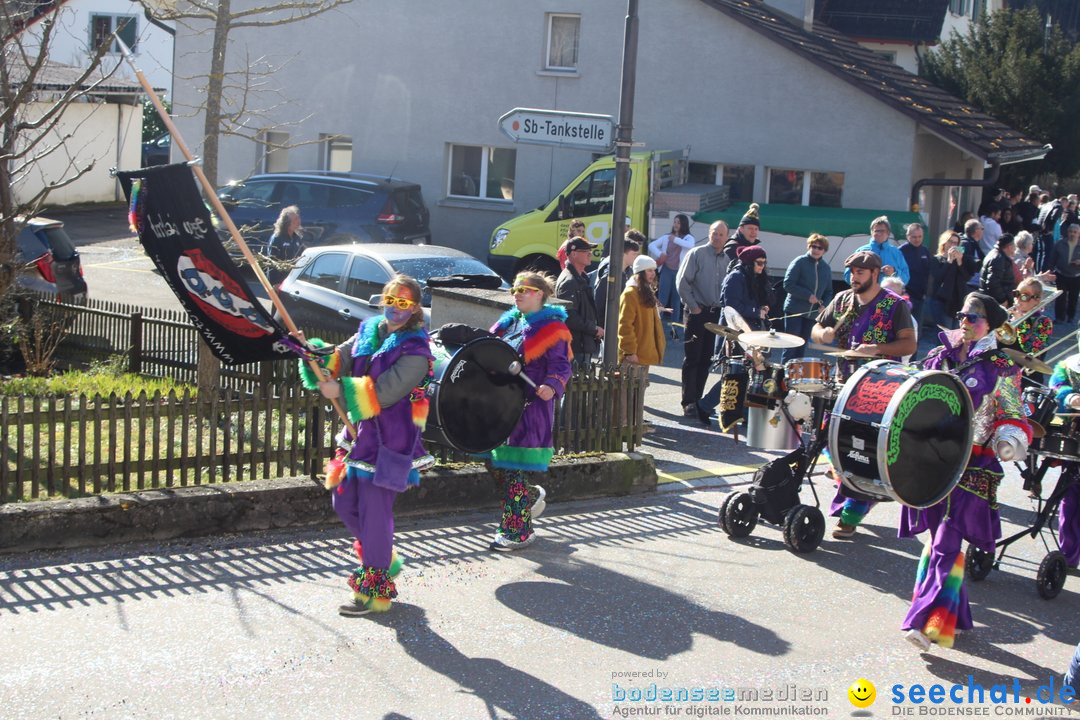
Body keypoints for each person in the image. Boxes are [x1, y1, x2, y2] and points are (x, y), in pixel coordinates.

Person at [299, 274, 435, 617]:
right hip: (358, 437)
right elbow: (340, 359)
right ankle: (380, 555)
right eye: (390, 299)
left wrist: (339, 391)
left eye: (403, 303)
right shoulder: (368, 330)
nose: (395, 308)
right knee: (343, 501)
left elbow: (385, 393)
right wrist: (314, 354)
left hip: (390, 442)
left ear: (415, 308)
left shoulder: (417, 350)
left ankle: (374, 591)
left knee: (375, 515)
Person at [900, 292, 1030, 651]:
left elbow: (1014, 411)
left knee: (946, 542)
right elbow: (916, 392)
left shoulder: (1001, 366)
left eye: (973, 317)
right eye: (961, 315)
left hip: (975, 464)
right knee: (936, 537)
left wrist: (1010, 437)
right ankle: (953, 617)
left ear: (990, 324)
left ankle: (927, 621)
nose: (965, 321)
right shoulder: (940, 354)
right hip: (933, 458)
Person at [811, 251, 917, 539]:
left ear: (874, 274)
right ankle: (850, 490)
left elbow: (909, 344)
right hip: (843, 382)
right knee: (830, 441)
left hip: (878, 389)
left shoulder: (894, 306)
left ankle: (853, 511)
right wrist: (824, 335)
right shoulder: (843, 299)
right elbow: (817, 328)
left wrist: (877, 349)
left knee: (863, 449)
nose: (854, 277)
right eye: (852, 272)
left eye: (860, 272)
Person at [484, 272, 573, 551]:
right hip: (501, 404)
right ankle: (530, 495)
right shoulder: (509, 321)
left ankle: (518, 531)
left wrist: (552, 385)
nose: (517, 294)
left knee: (512, 468)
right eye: (514, 289)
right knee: (495, 462)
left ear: (539, 294)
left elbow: (562, 367)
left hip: (530, 408)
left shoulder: (554, 329)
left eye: (523, 289)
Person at [677, 220, 728, 417]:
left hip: (716, 315)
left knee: (706, 359)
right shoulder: (696, 254)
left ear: (726, 237)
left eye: (721, 234)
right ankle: (688, 401)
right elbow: (682, 282)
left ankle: (699, 400)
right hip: (697, 312)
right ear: (709, 234)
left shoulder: (727, 259)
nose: (717, 237)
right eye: (714, 233)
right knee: (692, 358)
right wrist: (694, 307)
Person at [781, 233, 833, 362]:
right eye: (813, 246)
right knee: (791, 346)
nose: (816, 250)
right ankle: (781, 378)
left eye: (819, 248)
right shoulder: (799, 262)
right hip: (794, 310)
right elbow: (788, 284)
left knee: (801, 348)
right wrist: (807, 296)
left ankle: (795, 380)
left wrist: (824, 306)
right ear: (809, 247)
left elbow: (828, 291)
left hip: (811, 315)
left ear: (824, 251)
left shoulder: (826, 268)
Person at [556, 236, 603, 368]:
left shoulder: (580, 277)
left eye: (590, 251)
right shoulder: (569, 282)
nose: (590, 254)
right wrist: (593, 328)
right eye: (586, 251)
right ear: (574, 254)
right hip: (576, 347)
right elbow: (569, 316)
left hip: (582, 344)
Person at [648, 214, 696, 338]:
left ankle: (674, 329)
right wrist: (660, 253)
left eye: (678, 223)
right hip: (666, 270)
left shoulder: (688, 238)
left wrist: (674, 239)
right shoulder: (666, 237)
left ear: (683, 224)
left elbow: (691, 246)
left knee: (676, 300)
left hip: (679, 272)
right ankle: (656, 327)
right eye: (675, 222)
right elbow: (651, 245)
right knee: (662, 299)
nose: (676, 225)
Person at [618, 255, 666, 370]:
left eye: (654, 270)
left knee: (639, 387)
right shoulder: (630, 293)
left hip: (643, 354)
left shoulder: (645, 291)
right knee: (628, 387)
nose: (653, 273)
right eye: (649, 270)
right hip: (633, 356)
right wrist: (630, 352)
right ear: (640, 272)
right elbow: (625, 325)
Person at [594, 231, 642, 329]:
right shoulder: (609, 275)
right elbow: (599, 305)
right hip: (610, 329)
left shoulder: (629, 271)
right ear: (623, 254)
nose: (637, 257)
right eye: (634, 254)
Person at [844, 216, 910, 286]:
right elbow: (847, 276)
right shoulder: (861, 251)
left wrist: (894, 272)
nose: (878, 233)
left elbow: (906, 279)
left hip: (888, 295)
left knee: (891, 297)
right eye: (876, 231)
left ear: (888, 233)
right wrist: (863, 276)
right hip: (867, 294)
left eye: (882, 231)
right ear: (871, 232)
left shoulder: (896, 252)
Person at [927, 230, 972, 330]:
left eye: (955, 243)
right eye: (950, 242)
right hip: (942, 301)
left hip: (957, 302)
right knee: (945, 335)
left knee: (956, 334)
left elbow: (966, 278)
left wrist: (959, 261)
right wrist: (949, 261)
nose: (952, 245)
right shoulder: (937, 259)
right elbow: (938, 277)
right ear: (944, 243)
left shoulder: (960, 260)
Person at [899, 223, 932, 327]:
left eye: (919, 236)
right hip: (906, 295)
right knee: (905, 326)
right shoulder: (900, 251)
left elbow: (929, 272)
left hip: (921, 296)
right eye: (914, 237)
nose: (917, 239)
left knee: (918, 328)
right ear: (907, 236)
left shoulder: (925, 251)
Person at [1011, 277, 1053, 356]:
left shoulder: (1044, 322)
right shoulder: (1011, 314)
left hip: (1024, 366)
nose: (1018, 300)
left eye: (1024, 297)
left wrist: (1020, 323)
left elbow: (1033, 350)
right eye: (1016, 294)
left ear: (1036, 300)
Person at [979, 233, 1018, 305]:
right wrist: (1002, 299)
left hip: (994, 299)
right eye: (1014, 245)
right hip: (996, 302)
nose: (1015, 248)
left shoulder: (995, 254)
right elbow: (992, 282)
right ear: (1009, 246)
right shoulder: (998, 259)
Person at [1053, 222, 1080, 323]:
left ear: (1079, 234)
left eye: (1075, 232)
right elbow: (1052, 259)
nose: (1072, 234)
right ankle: (1059, 317)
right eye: (1071, 232)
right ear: (1067, 232)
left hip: (1076, 276)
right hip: (1061, 274)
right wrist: (1050, 271)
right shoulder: (1060, 244)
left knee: (1073, 298)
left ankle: (1070, 317)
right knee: (1060, 297)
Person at [724, 204, 761, 270]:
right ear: (741, 228)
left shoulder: (755, 249)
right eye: (750, 228)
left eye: (756, 229)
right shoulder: (731, 249)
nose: (753, 232)